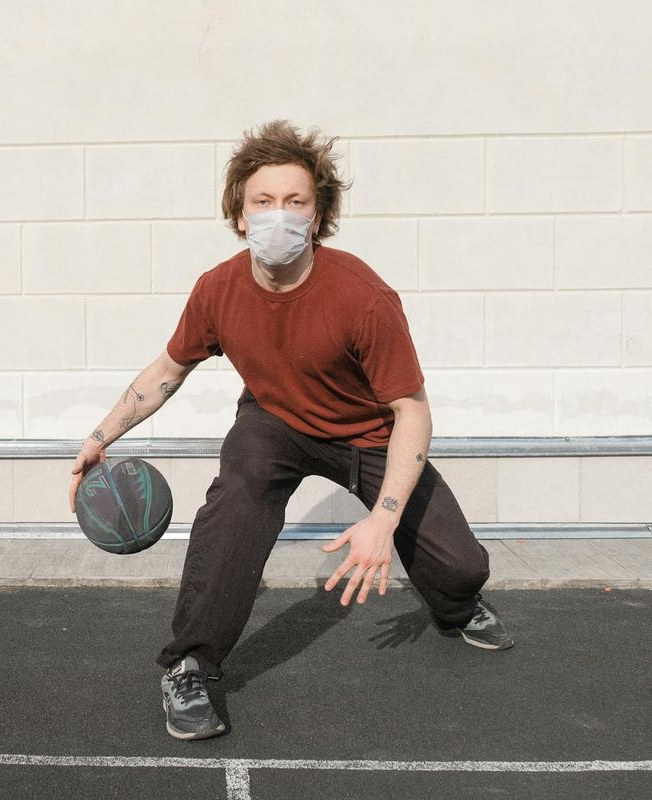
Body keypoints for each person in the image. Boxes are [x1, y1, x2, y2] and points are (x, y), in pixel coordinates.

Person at [68, 119, 512, 742]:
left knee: (462, 566)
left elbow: (413, 411)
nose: (279, 215)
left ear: (317, 214)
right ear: (241, 214)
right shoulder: (218, 289)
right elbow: (169, 369)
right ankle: (191, 663)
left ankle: (457, 607)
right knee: (237, 500)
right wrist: (101, 436)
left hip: (369, 436)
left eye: (295, 202)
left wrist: (382, 520)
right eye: (263, 201)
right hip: (274, 421)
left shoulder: (362, 297)